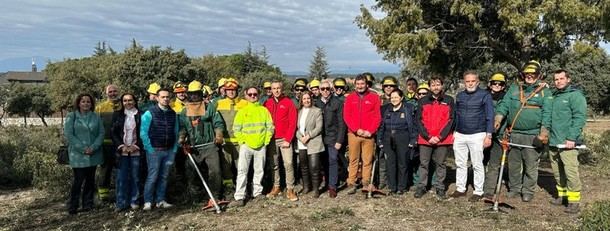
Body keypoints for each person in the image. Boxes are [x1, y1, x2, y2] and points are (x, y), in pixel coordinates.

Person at [495, 60, 552, 202]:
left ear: (538, 75)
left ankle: (528, 191)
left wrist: (543, 133)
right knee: (514, 164)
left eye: (533, 74)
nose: (530, 76)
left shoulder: (545, 91)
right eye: (527, 73)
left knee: (530, 165)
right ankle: (515, 188)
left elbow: (547, 113)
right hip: (514, 133)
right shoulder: (514, 88)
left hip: (533, 135)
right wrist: (498, 119)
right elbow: (504, 106)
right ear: (523, 74)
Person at [178, 81, 226, 207]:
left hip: (210, 145)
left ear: (201, 94)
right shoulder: (184, 111)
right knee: (191, 173)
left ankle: (215, 196)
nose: (194, 96)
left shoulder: (209, 107)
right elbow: (182, 127)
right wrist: (182, 137)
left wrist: (219, 135)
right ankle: (196, 198)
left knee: (215, 171)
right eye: (192, 94)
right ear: (188, 95)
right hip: (193, 148)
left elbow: (218, 123)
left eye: (197, 94)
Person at [450, 71, 494, 202]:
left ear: (477, 82)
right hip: (460, 134)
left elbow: (490, 116)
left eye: (472, 81)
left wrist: (488, 135)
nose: (470, 83)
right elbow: (456, 115)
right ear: (464, 82)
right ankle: (460, 189)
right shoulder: (460, 96)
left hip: (477, 134)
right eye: (467, 81)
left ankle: (478, 191)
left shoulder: (485, 95)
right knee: (460, 163)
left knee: (477, 164)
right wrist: (454, 131)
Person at [548, 69, 586, 213]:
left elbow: (579, 118)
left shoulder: (575, 96)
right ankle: (562, 196)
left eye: (562, 78)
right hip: (553, 141)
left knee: (570, 172)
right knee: (558, 172)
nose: (559, 81)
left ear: (568, 79)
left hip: (567, 142)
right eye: (556, 79)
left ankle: (574, 201)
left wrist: (571, 137)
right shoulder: (553, 96)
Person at [231, 87, 274, 206]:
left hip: (261, 145)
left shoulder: (264, 110)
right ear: (245, 96)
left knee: (259, 170)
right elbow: (236, 128)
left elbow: (270, 127)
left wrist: (266, 141)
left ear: (258, 95)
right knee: (242, 171)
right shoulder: (242, 111)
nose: (253, 96)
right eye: (250, 94)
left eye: (255, 94)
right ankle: (239, 196)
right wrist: (242, 141)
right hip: (246, 146)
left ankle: (257, 193)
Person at [414, 75, 455, 200]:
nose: (435, 87)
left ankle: (440, 187)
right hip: (425, 138)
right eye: (433, 84)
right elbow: (419, 120)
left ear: (442, 85)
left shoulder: (449, 100)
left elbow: (451, 120)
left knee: (441, 164)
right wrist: (428, 136)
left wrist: (440, 136)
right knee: (424, 164)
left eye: (438, 84)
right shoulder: (423, 101)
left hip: (442, 139)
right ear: (429, 86)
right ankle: (421, 186)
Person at [64, 93, 105, 215]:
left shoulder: (96, 117)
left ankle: (88, 204)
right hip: (78, 155)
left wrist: (93, 147)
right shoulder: (72, 116)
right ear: (78, 103)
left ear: (91, 104)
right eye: (83, 101)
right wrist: (83, 149)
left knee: (90, 180)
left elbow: (101, 133)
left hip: (94, 153)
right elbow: (69, 135)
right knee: (78, 181)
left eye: (88, 101)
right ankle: (73, 205)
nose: (86, 103)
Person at [140, 88, 179, 210]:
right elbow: (143, 133)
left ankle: (160, 200)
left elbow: (176, 132)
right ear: (157, 98)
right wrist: (149, 149)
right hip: (154, 151)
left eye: (168, 97)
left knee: (164, 176)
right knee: (153, 176)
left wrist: (174, 149)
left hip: (169, 150)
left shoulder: (173, 113)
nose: (166, 99)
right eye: (163, 97)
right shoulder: (149, 113)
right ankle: (147, 201)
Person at [343, 74, 382, 194]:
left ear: (366, 84)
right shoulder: (350, 98)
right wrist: (356, 129)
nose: (360, 86)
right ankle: (351, 182)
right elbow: (346, 116)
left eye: (362, 84)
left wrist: (370, 131)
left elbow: (377, 117)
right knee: (353, 159)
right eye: (358, 84)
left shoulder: (374, 97)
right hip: (354, 134)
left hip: (368, 135)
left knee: (367, 159)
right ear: (355, 85)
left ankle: (366, 182)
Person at [264, 80, 299, 201]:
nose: (276, 90)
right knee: (274, 165)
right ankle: (276, 186)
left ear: (282, 89)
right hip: (272, 139)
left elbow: (293, 122)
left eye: (278, 88)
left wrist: (288, 139)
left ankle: (290, 189)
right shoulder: (267, 103)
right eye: (274, 88)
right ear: (271, 90)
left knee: (288, 164)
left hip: (284, 139)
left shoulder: (288, 103)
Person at [378, 89, 417, 195]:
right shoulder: (386, 110)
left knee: (402, 163)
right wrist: (379, 139)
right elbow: (381, 126)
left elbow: (413, 126)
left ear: (401, 98)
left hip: (403, 138)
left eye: (396, 97)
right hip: (388, 139)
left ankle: (402, 187)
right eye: (392, 97)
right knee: (390, 163)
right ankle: (392, 187)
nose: (394, 99)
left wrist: (413, 140)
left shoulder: (407, 109)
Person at [216, 78, 250, 192]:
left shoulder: (245, 103)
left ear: (237, 90)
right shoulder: (218, 104)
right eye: (228, 90)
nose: (231, 92)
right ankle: (228, 188)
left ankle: (244, 188)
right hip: (225, 142)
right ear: (224, 91)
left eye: (233, 90)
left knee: (241, 167)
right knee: (226, 166)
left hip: (240, 141)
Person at [111, 93, 143, 212]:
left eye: (130, 100)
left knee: (136, 177)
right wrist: (121, 146)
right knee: (121, 177)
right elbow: (113, 132)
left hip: (136, 150)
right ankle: (121, 202)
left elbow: (144, 132)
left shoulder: (141, 114)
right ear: (122, 102)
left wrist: (136, 145)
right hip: (122, 151)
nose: (127, 102)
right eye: (125, 100)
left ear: (134, 101)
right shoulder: (117, 115)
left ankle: (134, 201)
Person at [482, 72, 509, 199]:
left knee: (494, 163)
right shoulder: (482, 95)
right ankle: (478, 186)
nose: (497, 85)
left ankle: (488, 190)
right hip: (483, 134)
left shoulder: (507, 98)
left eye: (500, 84)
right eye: (494, 83)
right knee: (480, 161)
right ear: (490, 84)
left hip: (499, 135)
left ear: (503, 86)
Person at [318, 80, 346, 198]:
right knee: (323, 162)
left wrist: (339, 140)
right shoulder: (316, 103)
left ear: (331, 89)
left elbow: (341, 123)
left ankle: (332, 186)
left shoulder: (337, 103)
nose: (325, 91)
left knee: (333, 160)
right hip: (320, 138)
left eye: (327, 88)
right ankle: (326, 182)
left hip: (333, 137)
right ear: (319, 90)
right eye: (322, 89)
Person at [95, 84, 121, 202]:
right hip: (105, 145)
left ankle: (120, 193)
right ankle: (104, 196)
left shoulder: (123, 106)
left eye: (115, 91)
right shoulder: (100, 108)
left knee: (121, 169)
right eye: (110, 92)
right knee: (105, 170)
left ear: (118, 92)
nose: (113, 93)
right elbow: (94, 126)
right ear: (106, 93)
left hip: (121, 144)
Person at [296, 91, 325, 198]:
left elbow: (319, 127)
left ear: (311, 99)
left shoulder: (317, 111)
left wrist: (308, 136)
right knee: (303, 166)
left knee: (314, 166)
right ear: (301, 101)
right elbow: (297, 128)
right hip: (301, 142)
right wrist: (301, 138)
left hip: (313, 142)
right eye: (304, 99)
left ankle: (316, 189)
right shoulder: (299, 112)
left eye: (308, 98)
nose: (306, 100)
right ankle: (307, 186)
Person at [377, 75, 399, 189]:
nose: (388, 88)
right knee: (381, 158)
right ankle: (382, 181)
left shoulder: (398, 98)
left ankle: (394, 181)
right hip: (381, 132)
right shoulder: (378, 99)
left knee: (395, 159)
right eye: (386, 86)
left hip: (396, 134)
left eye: (391, 86)